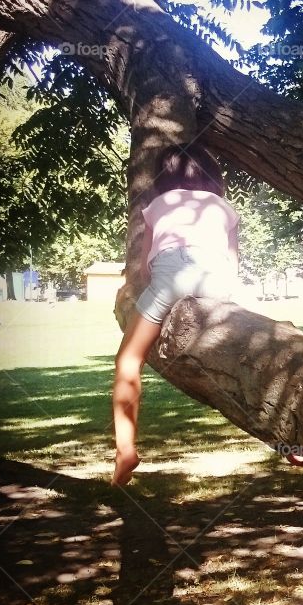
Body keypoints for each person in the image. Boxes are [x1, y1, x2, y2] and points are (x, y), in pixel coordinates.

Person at [111, 143, 239, 486]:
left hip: (170, 275)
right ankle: (288, 445)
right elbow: (233, 264)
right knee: (245, 360)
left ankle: (125, 451)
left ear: (162, 176)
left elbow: (144, 271)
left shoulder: (155, 206)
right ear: (213, 176)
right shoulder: (225, 209)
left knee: (127, 362)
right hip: (217, 280)